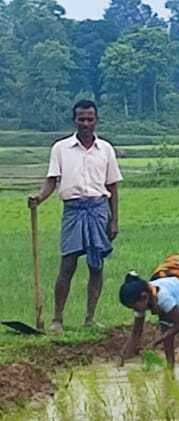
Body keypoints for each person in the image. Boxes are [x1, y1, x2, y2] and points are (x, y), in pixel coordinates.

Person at [27, 100, 123, 333]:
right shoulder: (60, 148)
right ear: (74, 120)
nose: (86, 123)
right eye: (82, 119)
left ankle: (90, 318)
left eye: (90, 119)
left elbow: (112, 186)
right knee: (67, 264)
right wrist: (40, 197)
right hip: (73, 210)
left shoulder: (106, 149)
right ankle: (57, 319)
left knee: (96, 266)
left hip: (98, 209)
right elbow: (52, 179)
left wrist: (114, 219)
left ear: (96, 120)